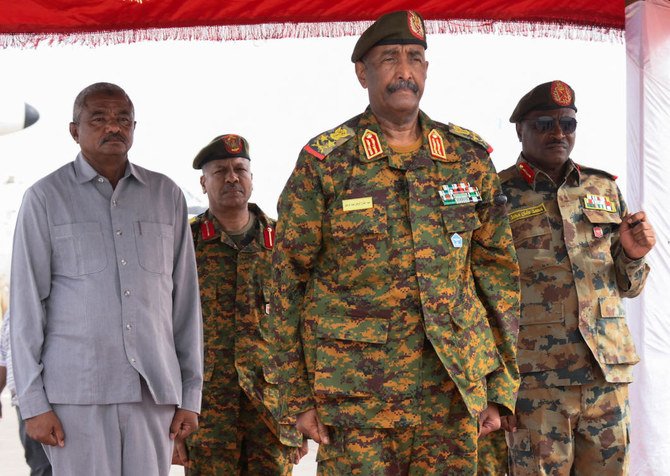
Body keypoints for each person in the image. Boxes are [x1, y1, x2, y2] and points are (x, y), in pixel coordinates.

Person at [266, 10, 520, 474]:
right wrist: (295, 397)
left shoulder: (467, 159)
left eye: (415, 59)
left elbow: (497, 277)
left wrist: (500, 388)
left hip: (455, 392)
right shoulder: (326, 162)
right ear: (363, 72)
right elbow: (284, 283)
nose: (404, 71)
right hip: (357, 401)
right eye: (389, 59)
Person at [10, 82, 203, 476]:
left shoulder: (166, 196)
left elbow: (184, 307)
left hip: (153, 394)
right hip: (76, 397)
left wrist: (190, 396)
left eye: (123, 119)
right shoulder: (44, 199)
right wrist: (33, 403)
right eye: (98, 118)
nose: (113, 127)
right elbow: (27, 308)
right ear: (74, 130)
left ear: (134, 127)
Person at [499, 80, 656, 475]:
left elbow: (629, 286)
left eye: (567, 124)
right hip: (537, 380)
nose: (558, 133)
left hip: (606, 373)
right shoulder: (498, 195)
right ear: (520, 130)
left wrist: (634, 256)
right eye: (544, 124)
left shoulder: (602, 187)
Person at [175, 134, 306, 474]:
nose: (232, 178)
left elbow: (304, 329)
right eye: (220, 171)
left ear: (251, 178)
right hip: (206, 412)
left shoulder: (283, 245)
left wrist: (304, 412)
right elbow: (164, 330)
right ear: (203, 183)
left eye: (239, 169)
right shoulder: (183, 245)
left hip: (273, 411)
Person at [1, 308, 52, 476]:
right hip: (23, 404)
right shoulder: (10, 314)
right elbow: (3, 357)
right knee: (41, 468)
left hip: (50, 402)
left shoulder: (48, 304)